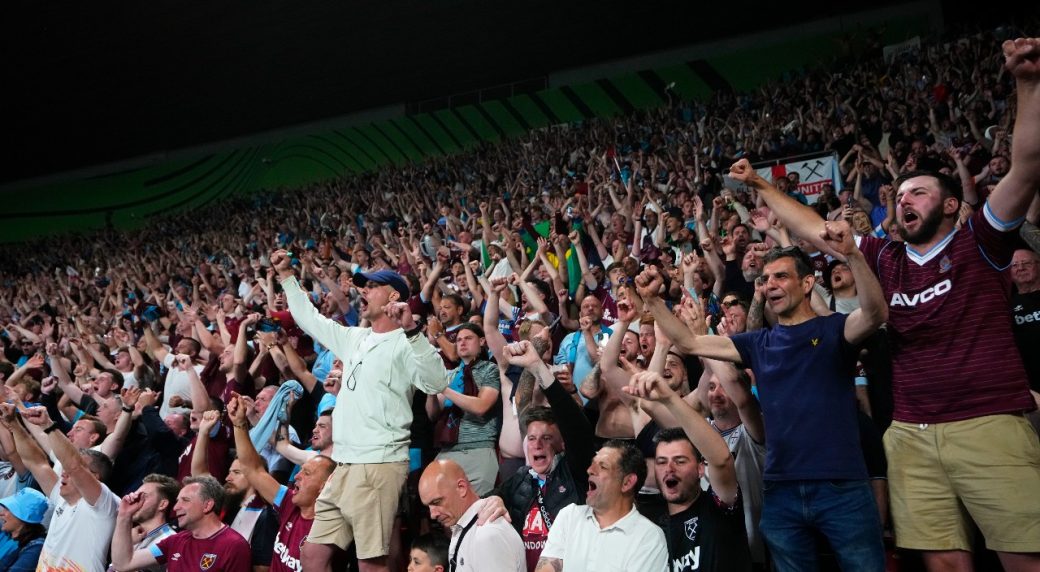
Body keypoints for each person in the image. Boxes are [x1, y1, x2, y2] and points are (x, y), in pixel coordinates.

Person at [731, 37, 1040, 571]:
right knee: (942, 563)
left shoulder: (981, 241)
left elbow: (1028, 165)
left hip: (987, 420)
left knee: (1023, 558)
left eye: (917, 193)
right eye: (899, 196)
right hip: (911, 431)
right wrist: (761, 182)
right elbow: (810, 228)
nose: (903, 200)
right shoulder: (879, 255)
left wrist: (1028, 82)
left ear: (949, 203)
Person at [638, 229, 888, 571]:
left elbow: (875, 314)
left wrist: (855, 256)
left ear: (807, 284)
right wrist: (653, 301)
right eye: (767, 278)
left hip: (841, 483)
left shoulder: (833, 329)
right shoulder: (759, 343)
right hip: (781, 488)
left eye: (782, 276)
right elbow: (691, 343)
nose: (770, 284)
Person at [272, 251, 449, 572]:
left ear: (394, 296)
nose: (362, 291)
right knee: (312, 554)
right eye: (362, 287)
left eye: (371, 287)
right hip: (343, 463)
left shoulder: (405, 342)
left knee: (371, 564)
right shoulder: (355, 337)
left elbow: (437, 380)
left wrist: (413, 331)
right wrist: (286, 276)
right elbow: (309, 319)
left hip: (379, 464)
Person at [624, 370, 751, 572]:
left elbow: (722, 460)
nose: (669, 469)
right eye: (662, 462)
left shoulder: (719, 508)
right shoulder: (651, 528)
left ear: (701, 468)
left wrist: (670, 399)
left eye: (680, 461)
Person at [494, 339, 596, 570]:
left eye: (546, 438)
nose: (537, 444)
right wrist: (495, 500)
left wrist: (537, 366)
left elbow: (575, 426)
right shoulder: (518, 480)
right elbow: (521, 402)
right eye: (531, 438)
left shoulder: (575, 472)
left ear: (561, 444)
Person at [1, 403, 120, 572]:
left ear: (94, 477)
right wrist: (13, 424)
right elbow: (35, 462)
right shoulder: (62, 497)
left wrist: (48, 425)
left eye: (70, 471)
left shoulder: (104, 504)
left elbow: (74, 466)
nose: (63, 473)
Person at [226, 393, 337, 572]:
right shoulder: (289, 502)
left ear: (325, 486)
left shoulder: (330, 530)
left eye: (307, 473)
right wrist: (239, 424)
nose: (297, 476)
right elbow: (253, 470)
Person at [534, 439, 668, 572]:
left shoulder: (649, 537)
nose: (590, 470)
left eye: (603, 466)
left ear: (627, 482)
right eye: (592, 464)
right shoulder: (569, 516)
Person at [111, 476, 251, 572]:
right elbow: (123, 563)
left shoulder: (234, 545)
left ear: (207, 505)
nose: (176, 507)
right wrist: (124, 516)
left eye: (185, 500)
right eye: (177, 501)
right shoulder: (176, 541)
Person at [428, 323, 501, 495]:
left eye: (468, 338)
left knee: (479, 512)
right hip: (446, 451)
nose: (462, 343)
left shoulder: (490, 369)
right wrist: (431, 391)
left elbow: (481, 406)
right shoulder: (450, 375)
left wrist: (443, 388)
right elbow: (433, 414)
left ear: (482, 341)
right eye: (459, 340)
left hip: (479, 449)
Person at [418, 459, 525, 572]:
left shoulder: (487, 534)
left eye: (437, 502)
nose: (432, 515)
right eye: (428, 506)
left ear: (461, 488)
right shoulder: (466, 527)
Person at [106, 474, 180, 572]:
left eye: (142, 496)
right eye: (136, 495)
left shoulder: (169, 540)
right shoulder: (133, 537)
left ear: (162, 504)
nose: (135, 501)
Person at [0, 488, 48, 571]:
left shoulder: (35, 547)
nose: (1, 513)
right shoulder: (6, 533)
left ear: (24, 517)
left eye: (8, 509)